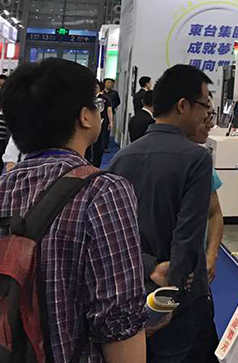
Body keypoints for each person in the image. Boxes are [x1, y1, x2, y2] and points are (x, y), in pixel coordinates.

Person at [0, 59, 146, 363]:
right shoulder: (103, 191)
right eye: (95, 103)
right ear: (84, 117)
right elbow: (118, 319)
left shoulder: (4, 186)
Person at [109, 64, 215, 363]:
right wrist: (169, 300)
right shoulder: (196, 158)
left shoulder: (122, 157)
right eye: (204, 106)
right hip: (179, 297)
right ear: (183, 105)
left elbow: (112, 235)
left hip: (130, 288)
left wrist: (148, 267)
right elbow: (187, 236)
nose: (206, 116)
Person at [186, 104, 225, 363]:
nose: (210, 124)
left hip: (196, 277)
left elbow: (215, 213)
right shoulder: (134, 158)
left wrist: (211, 255)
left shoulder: (202, 163)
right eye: (206, 116)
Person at [91, 77, 120, 168]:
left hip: (102, 121)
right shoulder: (88, 98)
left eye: (97, 87)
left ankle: (97, 164)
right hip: (89, 123)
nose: (95, 89)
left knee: (99, 142)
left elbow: (109, 110)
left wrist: (111, 122)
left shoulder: (105, 98)